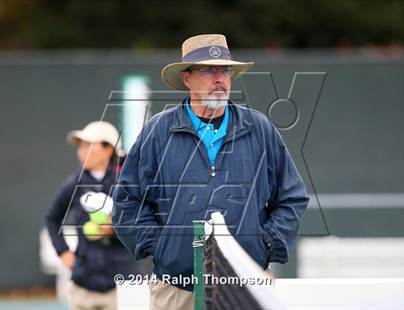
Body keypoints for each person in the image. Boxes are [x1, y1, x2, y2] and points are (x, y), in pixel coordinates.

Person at [112, 34, 309, 310]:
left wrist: (266, 245)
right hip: (177, 290)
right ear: (187, 78)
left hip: (249, 283)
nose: (219, 78)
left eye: (225, 70)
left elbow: (292, 197)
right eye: (208, 70)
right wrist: (161, 248)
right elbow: (126, 202)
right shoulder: (157, 132)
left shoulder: (260, 128)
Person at [46, 121, 140, 310]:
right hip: (84, 285)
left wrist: (116, 227)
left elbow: (144, 221)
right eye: (80, 146)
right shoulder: (73, 183)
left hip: (122, 285)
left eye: (88, 145)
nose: (81, 150)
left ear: (108, 150)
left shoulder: (129, 183)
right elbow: (52, 218)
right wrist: (63, 251)